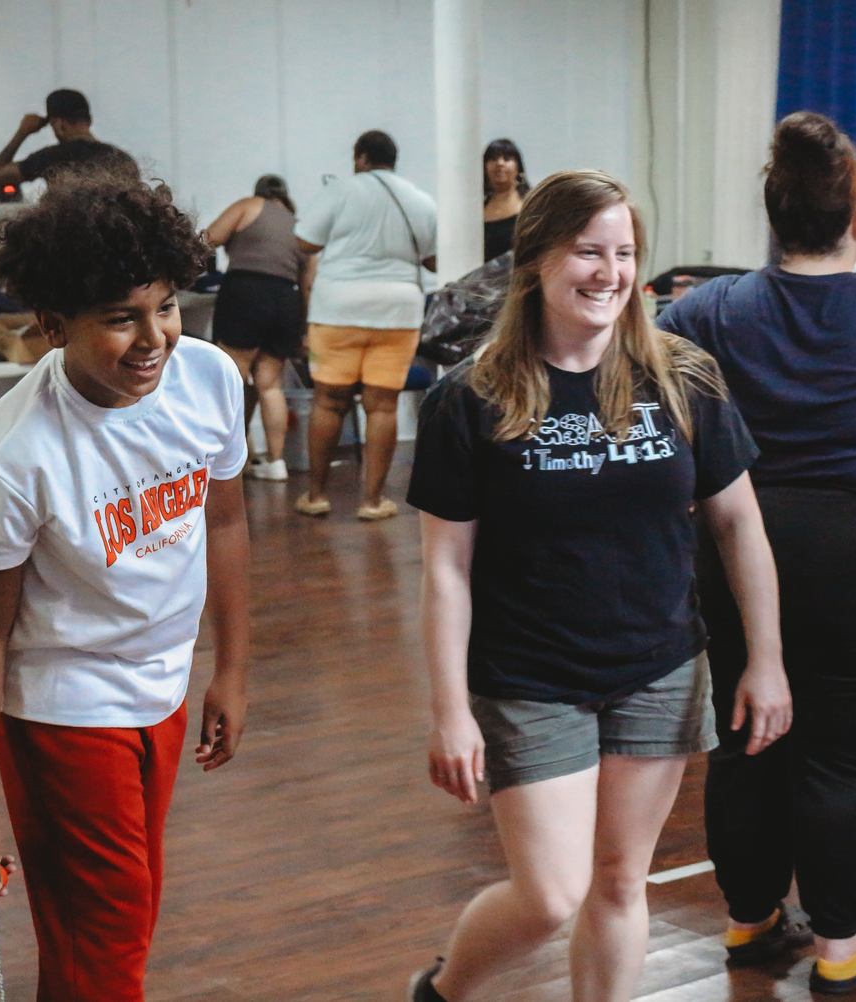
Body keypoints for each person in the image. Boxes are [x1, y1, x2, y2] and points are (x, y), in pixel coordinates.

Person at [406, 169, 792, 1002]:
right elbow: (445, 567)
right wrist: (447, 709)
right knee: (550, 897)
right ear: (538, 259)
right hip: (527, 676)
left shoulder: (681, 377)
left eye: (624, 253)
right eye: (588, 251)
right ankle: (445, 989)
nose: (609, 273)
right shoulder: (469, 397)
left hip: (659, 666)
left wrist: (766, 659)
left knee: (620, 881)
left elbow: (738, 525)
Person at [0, 175, 250, 1002]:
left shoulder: (210, 379)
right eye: (121, 317)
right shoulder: (10, 457)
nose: (155, 338)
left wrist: (230, 668)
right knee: (105, 941)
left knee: (113, 928)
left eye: (168, 307)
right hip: (63, 709)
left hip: (163, 687)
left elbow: (223, 522)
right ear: (51, 327)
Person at [657, 111, 856, 993]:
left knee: (748, 732)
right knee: (852, 751)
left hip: (732, 537)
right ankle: (839, 947)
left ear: (773, 211)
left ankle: (749, 921)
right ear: (855, 213)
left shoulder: (704, 310)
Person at [294, 129, 437, 520]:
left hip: (337, 308)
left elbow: (305, 242)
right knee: (383, 406)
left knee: (328, 400)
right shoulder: (421, 200)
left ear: (360, 157)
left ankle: (316, 496)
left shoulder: (341, 190)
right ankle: (373, 502)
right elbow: (434, 259)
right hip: (397, 311)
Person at [204, 174, 306, 481]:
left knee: (233, 380)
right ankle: (276, 463)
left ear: (259, 192)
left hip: (246, 293)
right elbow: (309, 281)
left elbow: (210, 238)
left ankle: (234, 463)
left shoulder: (249, 205)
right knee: (269, 384)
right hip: (288, 300)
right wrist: (305, 327)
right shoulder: (298, 225)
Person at [0, 88, 139, 191]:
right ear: (90, 120)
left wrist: (22, 133)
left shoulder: (52, 157)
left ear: (58, 125)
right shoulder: (123, 159)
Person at [482, 138, 529, 262]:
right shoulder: (477, 209)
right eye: (493, 159)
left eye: (507, 159)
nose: (500, 163)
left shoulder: (532, 203)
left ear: (518, 166)